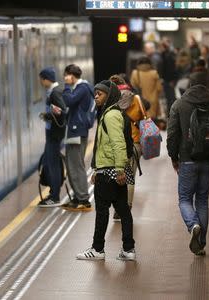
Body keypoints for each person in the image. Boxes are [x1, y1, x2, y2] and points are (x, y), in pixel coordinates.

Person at [167, 70, 209, 256]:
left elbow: (172, 135)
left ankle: (193, 225)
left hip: (187, 159)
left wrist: (174, 157)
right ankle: (201, 243)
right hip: (208, 160)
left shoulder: (179, 105)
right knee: (202, 200)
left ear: (189, 84)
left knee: (185, 199)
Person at [76, 80, 136, 261]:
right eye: (95, 93)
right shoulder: (114, 113)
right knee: (124, 211)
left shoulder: (110, 116)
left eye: (99, 94)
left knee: (102, 211)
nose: (96, 97)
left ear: (109, 95)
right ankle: (128, 249)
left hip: (110, 172)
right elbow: (105, 147)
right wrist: (98, 169)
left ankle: (97, 249)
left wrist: (118, 170)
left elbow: (117, 144)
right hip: (110, 169)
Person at [109, 75, 146, 221]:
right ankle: (126, 208)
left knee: (117, 176)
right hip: (135, 142)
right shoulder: (136, 99)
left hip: (115, 144)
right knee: (130, 177)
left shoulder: (110, 100)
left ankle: (118, 207)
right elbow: (144, 117)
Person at [61, 64, 94, 211]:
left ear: (72, 76)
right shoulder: (80, 88)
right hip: (74, 130)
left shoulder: (82, 88)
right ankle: (77, 197)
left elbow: (69, 101)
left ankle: (84, 199)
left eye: (66, 75)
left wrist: (67, 86)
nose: (65, 78)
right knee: (71, 164)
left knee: (76, 165)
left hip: (77, 131)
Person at [37, 67, 66, 207]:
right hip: (53, 134)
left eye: (42, 79)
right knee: (51, 163)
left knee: (53, 165)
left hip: (54, 135)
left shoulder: (55, 93)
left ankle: (55, 197)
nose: (41, 82)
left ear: (46, 79)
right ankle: (53, 194)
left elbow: (62, 110)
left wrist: (47, 115)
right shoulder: (54, 91)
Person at [130, 56, 162, 120]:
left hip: (140, 101)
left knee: (141, 120)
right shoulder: (154, 73)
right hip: (152, 102)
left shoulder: (135, 73)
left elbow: (132, 87)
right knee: (151, 123)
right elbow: (159, 88)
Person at [159, 38, 178, 112]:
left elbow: (171, 69)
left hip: (169, 80)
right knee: (168, 98)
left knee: (170, 98)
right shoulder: (165, 55)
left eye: (160, 47)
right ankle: (170, 114)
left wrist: (172, 80)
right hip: (167, 80)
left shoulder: (168, 56)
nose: (159, 49)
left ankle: (171, 114)